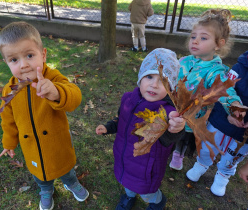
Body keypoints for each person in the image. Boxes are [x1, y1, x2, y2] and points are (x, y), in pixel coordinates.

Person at [0, 21, 89, 210]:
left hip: (57, 143)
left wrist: (57, 92)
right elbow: (8, 120)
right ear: (6, 62)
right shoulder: (10, 90)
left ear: (43, 54)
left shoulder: (52, 77)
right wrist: (9, 142)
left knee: (65, 169)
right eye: (14, 60)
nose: (23, 65)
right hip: (31, 145)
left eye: (29, 55)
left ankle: (71, 183)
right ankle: (45, 190)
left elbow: (75, 96)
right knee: (40, 174)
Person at [96, 48, 186, 210]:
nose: (154, 84)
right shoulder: (128, 99)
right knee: (127, 185)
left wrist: (176, 128)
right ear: (140, 77)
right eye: (149, 76)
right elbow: (121, 120)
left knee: (146, 193)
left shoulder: (167, 112)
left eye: (163, 80)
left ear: (170, 88)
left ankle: (157, 201)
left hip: (146, 168)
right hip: (124, 158)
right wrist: (108, 127)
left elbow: (168, 139)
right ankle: (129, 196)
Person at [169, 9, 244, 171]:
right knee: (171, 129)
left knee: (184, 136)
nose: (195, 41)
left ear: (218, 44)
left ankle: (179, 153)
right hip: (173, 108)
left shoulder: (215, 71)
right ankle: (169, 146)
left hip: (193, 116)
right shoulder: (185, 61)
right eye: (193, 36)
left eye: (203, 38)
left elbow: (225, 90)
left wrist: (235, 106)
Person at [186, 50, 248, 196]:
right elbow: (224, 90)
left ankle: (223, 175)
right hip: (221, 121)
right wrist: (230, 112)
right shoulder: (239, 68)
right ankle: (202, 163)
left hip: (244, 134)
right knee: (208, 145)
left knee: (233, 156)